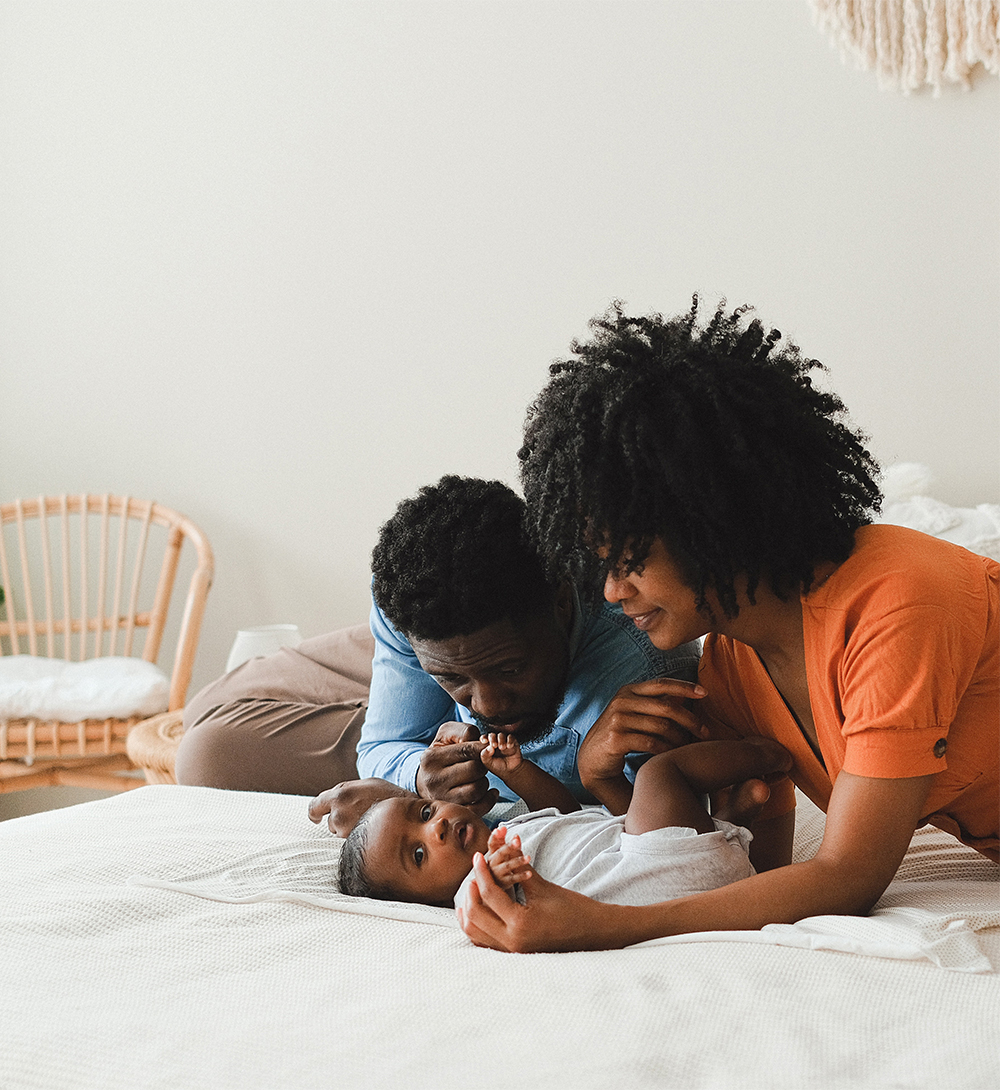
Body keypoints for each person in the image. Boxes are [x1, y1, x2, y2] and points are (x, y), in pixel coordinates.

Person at [456, 296, 999, 953]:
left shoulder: (897, 601)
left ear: (712, 518)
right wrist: (602, 778)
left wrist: (601, 928)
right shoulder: (733, 669)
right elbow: (744, 875)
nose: (611, 591)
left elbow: (850, 877)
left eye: (629, 561)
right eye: (598, 566)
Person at [178, 476, 703, 814]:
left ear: (562, 603)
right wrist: (416, 772)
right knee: (200, 707)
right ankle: (437, 690)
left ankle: (432, 704)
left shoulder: (643, 668)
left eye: (511, 670)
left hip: (470, 654)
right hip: (422, 652)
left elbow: (661, 835)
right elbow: (388, 745)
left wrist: (598, 775)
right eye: (457, 681)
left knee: (205, 753)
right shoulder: (412, 608)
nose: (489, 706)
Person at [336, 728, 790, 911]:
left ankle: (728, 825)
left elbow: (564, 814)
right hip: (653, 868)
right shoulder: (474, 893)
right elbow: (491, 905)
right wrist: (492, 879)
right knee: (660, 774)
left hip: (659, 856)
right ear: (421, 903)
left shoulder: (508, 829)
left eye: (424, 811)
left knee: (662, 804)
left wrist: (518, 772)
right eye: (417, 854)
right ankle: (769, 747)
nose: (433, 828)